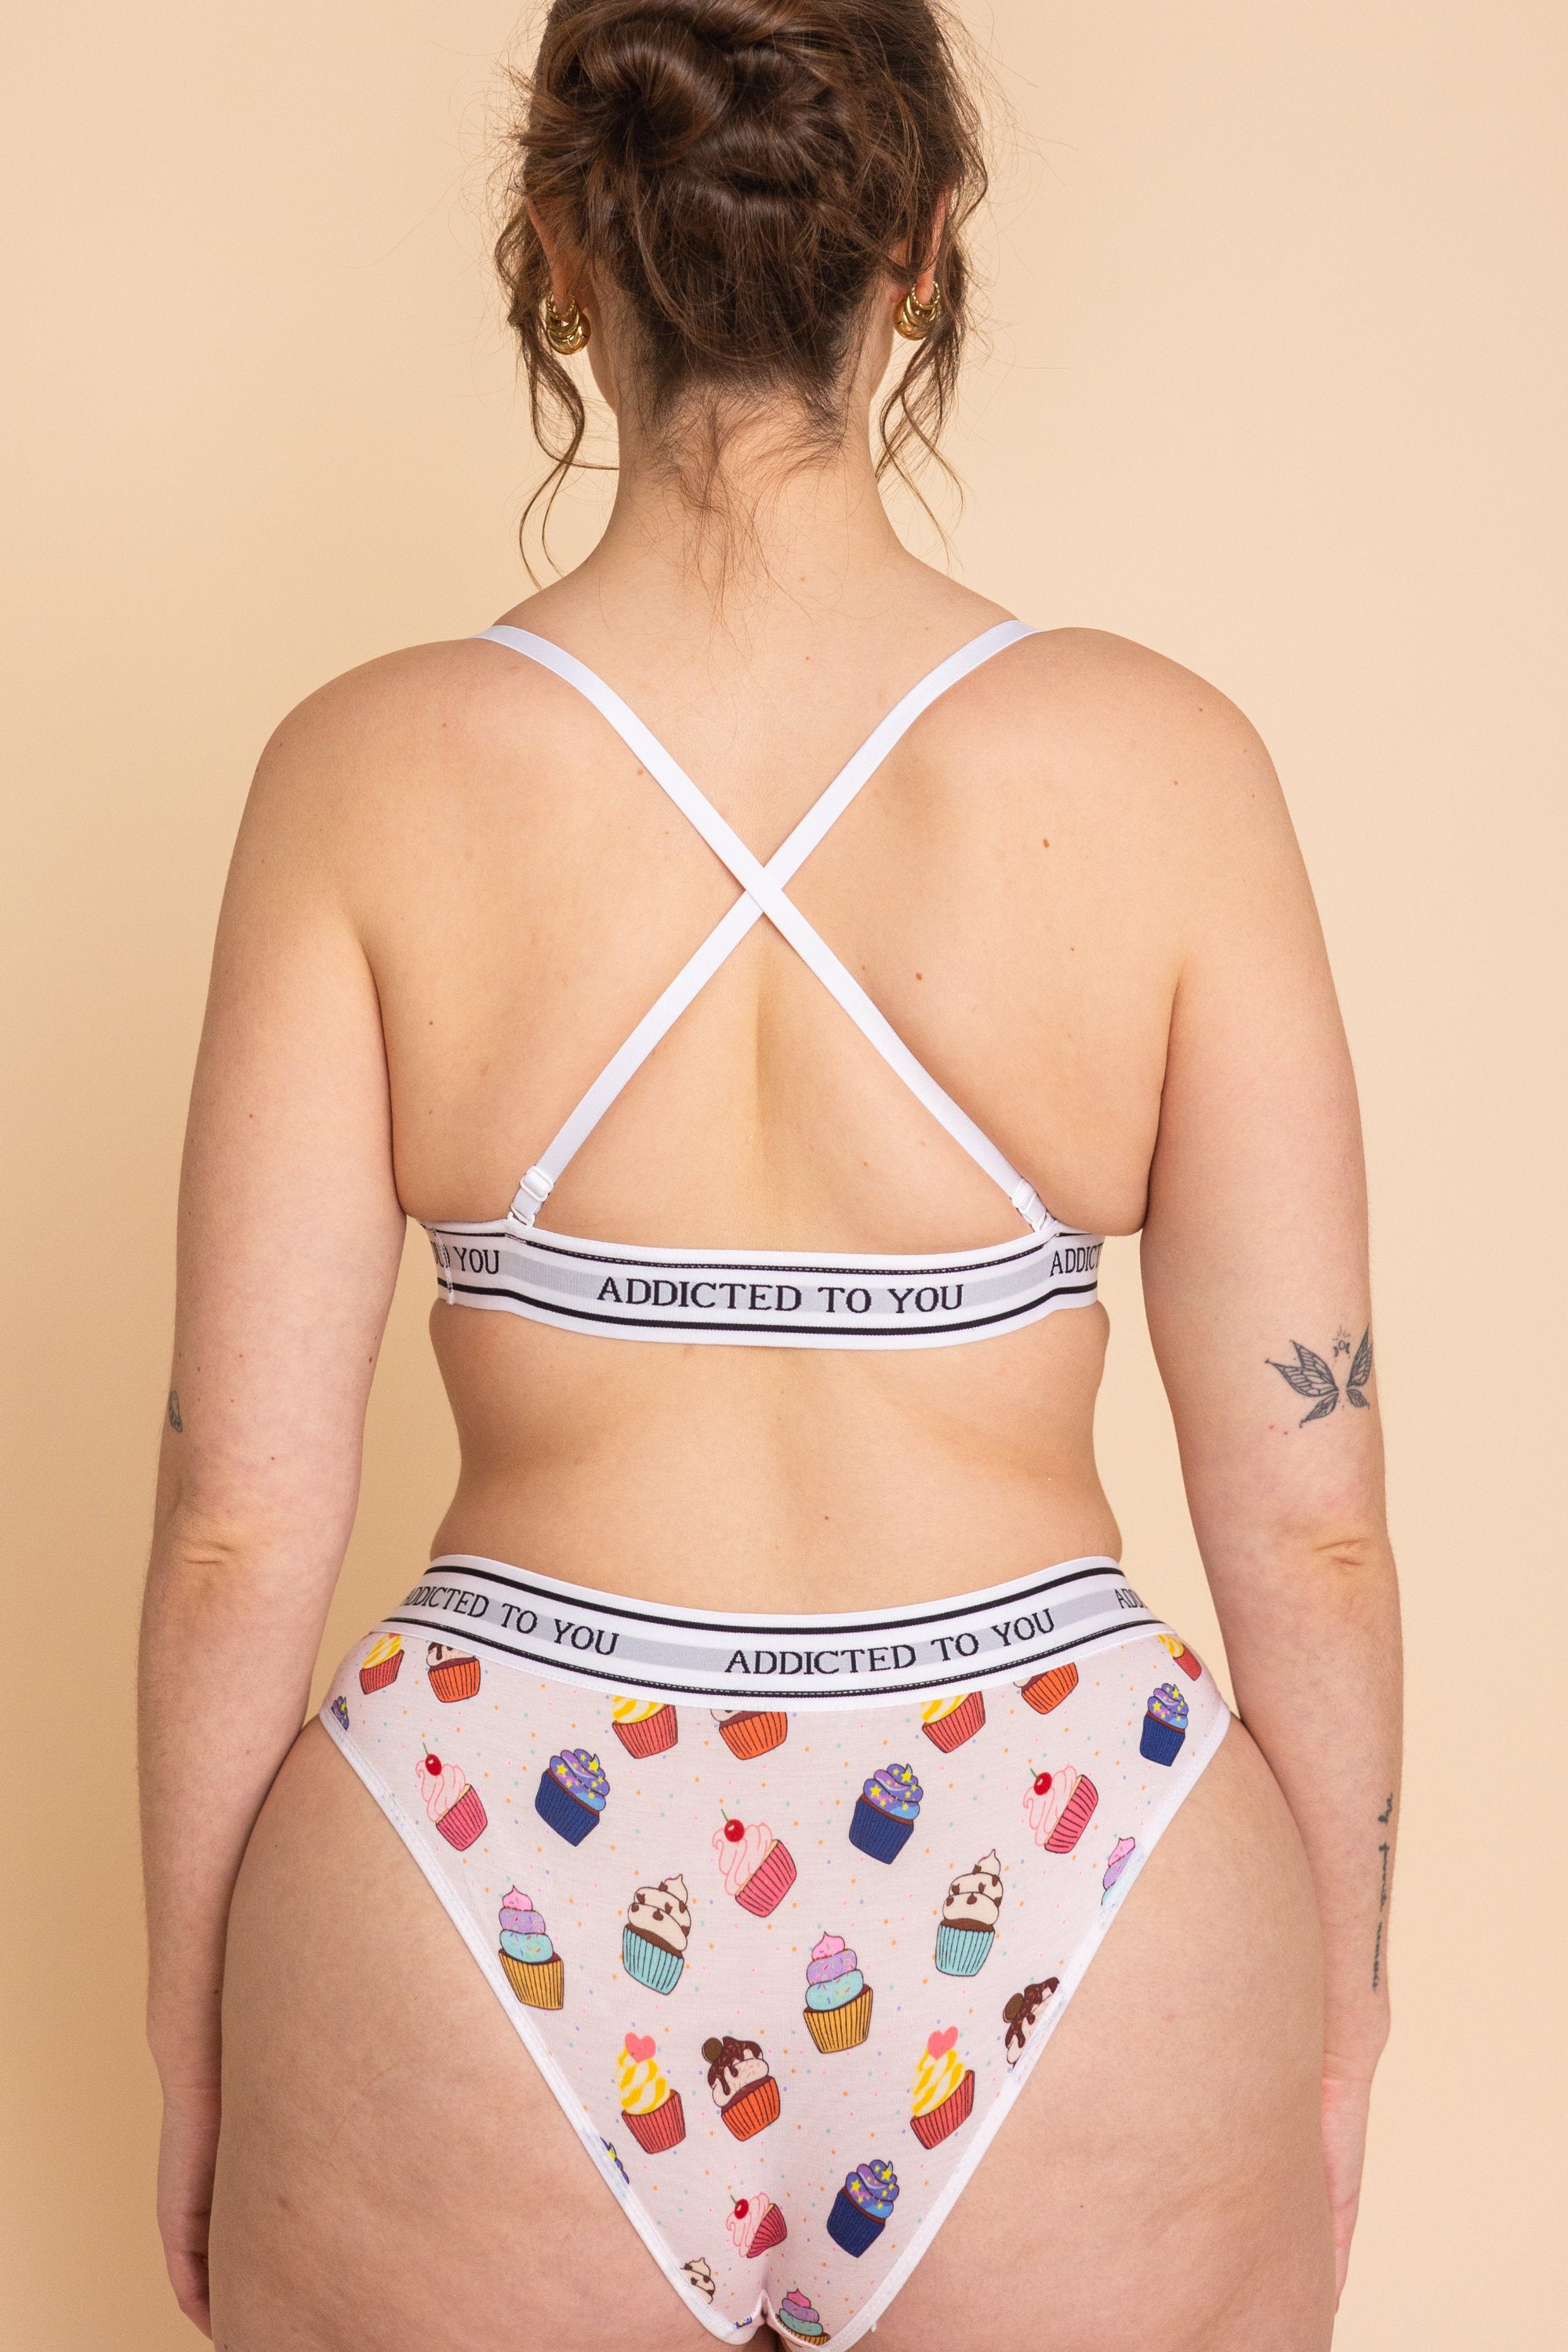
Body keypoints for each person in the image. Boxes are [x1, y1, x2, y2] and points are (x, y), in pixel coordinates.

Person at [139, 4, 1401, 2346]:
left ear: (557, 246)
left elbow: (239, 1525)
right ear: (923, 247)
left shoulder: (363, 774)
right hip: (1063, 1842)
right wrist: (1335, 2024)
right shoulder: (1167, 766)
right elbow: (1310, 1528)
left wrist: (202, 2040)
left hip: (486, 1847)